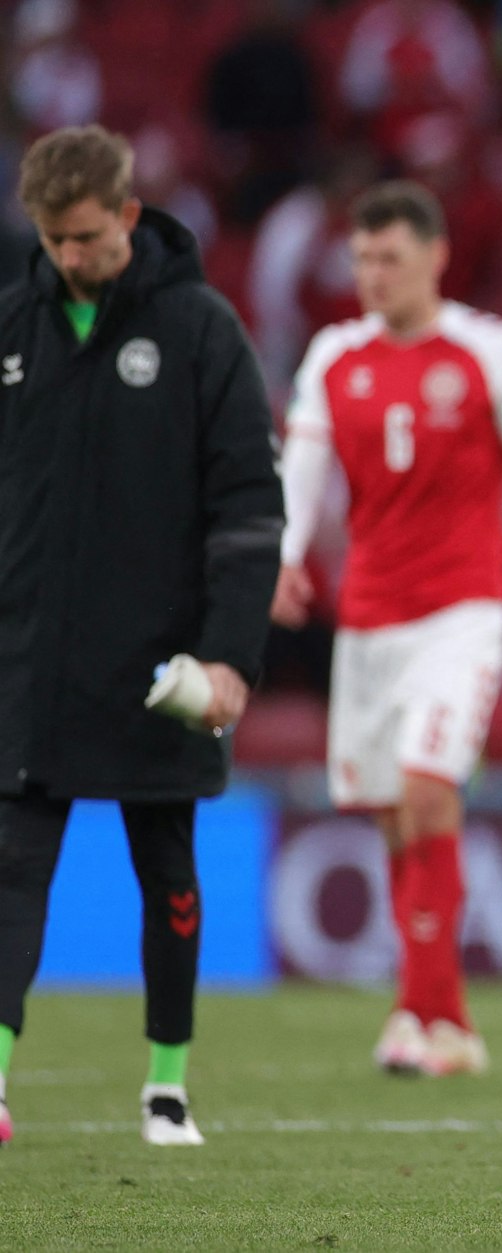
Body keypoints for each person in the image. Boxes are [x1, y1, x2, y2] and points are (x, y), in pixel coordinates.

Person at [271, 181, 502, 1077]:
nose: (373, 275)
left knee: (428, 789)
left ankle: (421, 1016)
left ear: (436, 256)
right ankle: (441, 1020)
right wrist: (283, 555)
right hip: (367, 617)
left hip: (463, 610)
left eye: (390, 258)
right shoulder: (334, 356)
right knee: (394, 815)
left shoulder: (495, 350)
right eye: (362, 259)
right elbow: (300, 471)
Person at [0, 125, 283, 1147]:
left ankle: (167, 1083)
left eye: (87, 236)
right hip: (32, 663)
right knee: (11, 873)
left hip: (160, 665)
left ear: (128, 214)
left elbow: (248, 508)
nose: (70, 256)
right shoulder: (12, 329)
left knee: (167, 871)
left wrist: (229, 654)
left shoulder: (202, 332)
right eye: (53, 239)